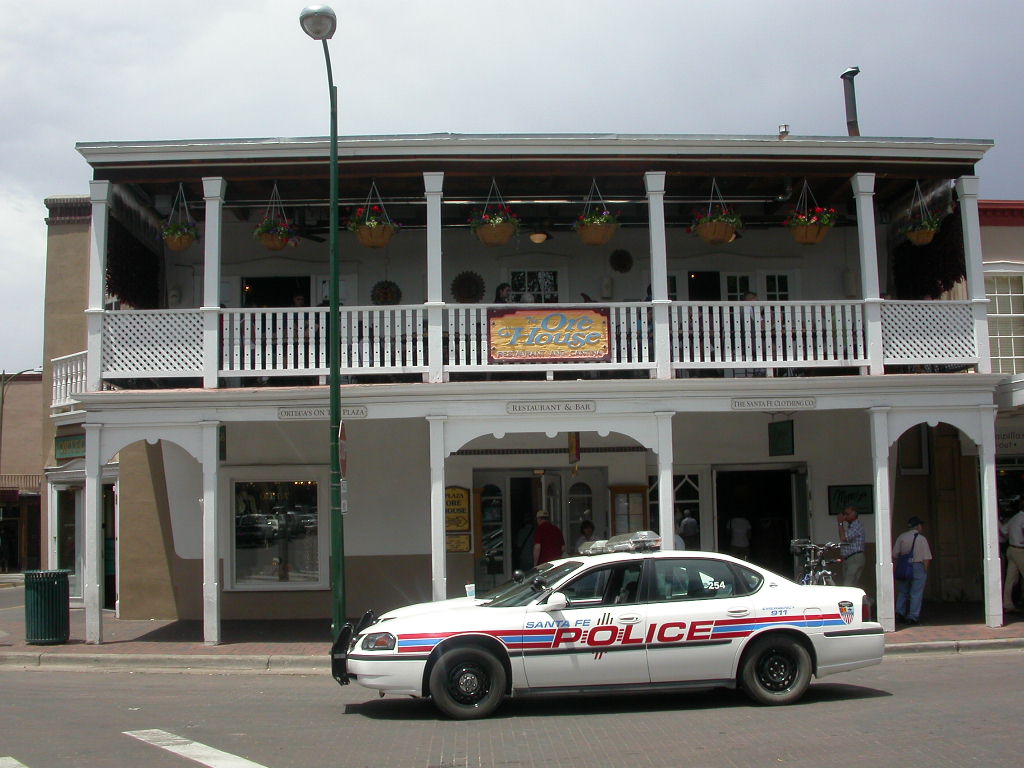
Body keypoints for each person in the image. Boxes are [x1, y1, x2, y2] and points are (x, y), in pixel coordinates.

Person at [892, 516, 932, 624]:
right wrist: (925, 571)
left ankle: (899, 613)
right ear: (918, 526)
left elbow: (894, 554)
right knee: (916, 593)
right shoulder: (922, 539)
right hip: (918, 566)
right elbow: (926, 558)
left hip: (904, 566)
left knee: (903, 591)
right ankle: (912, 616)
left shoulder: (902, 537)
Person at [1000, 503, 1024, 613]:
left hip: (1011, 549)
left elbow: (1003, 530)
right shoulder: (1022, 518)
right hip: (1020, 550)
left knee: (1010, 578)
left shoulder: (1014, 518)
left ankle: (1007, 603)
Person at [838, 505, 866, 587]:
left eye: (847, 514)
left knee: (848, 584)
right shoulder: (851, 527)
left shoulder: (857, 526)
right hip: (849, 558)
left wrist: (840, 523)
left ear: (854, 514)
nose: (845, 516)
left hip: (854, 558)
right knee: (851, 584)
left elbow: (844, 538)